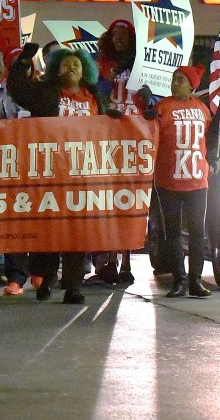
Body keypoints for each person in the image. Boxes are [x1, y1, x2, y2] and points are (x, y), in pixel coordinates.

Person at [7, 42, 122, 305]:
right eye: (65, 63)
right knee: (48, 229)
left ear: (86, 71)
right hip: (49, 173)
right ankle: (45, 279)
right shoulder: (45, 93)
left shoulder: (95, 98)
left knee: (78, 233)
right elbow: (18, 90)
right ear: (55, 70)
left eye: (77, 64)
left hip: (83, 176)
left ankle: (73, 286)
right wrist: (23, 62)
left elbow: (105, 129)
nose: (71, 66)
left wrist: (118, 120)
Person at [147, 66, 220, 299]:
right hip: (167, 181)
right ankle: (178, 280)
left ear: (192, 86)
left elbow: (209, 140)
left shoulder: (201, 109)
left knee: (198, 233)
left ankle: (196, 281)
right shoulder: (162, 108)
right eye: (173, 80)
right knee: (172, 233)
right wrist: (146, 112)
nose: (175, 84)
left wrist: (219, 121)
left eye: (180, 80)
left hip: (197, 182)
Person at [93, 19, 140, 284]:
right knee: (111, 203)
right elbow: (97, 96)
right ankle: (109, 260)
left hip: (134, 142)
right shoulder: (103, 64)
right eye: (114, 35)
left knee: (131, 205)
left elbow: (152, 98)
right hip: (110, 140)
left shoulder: (141, 65)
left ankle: (127, 262)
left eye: (123, 35)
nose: (118, 39)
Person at [0, 48, 33, 296]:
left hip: (41, 167)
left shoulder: (43, 91)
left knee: (43, 218)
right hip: (11, 167)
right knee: (14, 222)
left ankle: (40, 271)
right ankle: (16, 276)